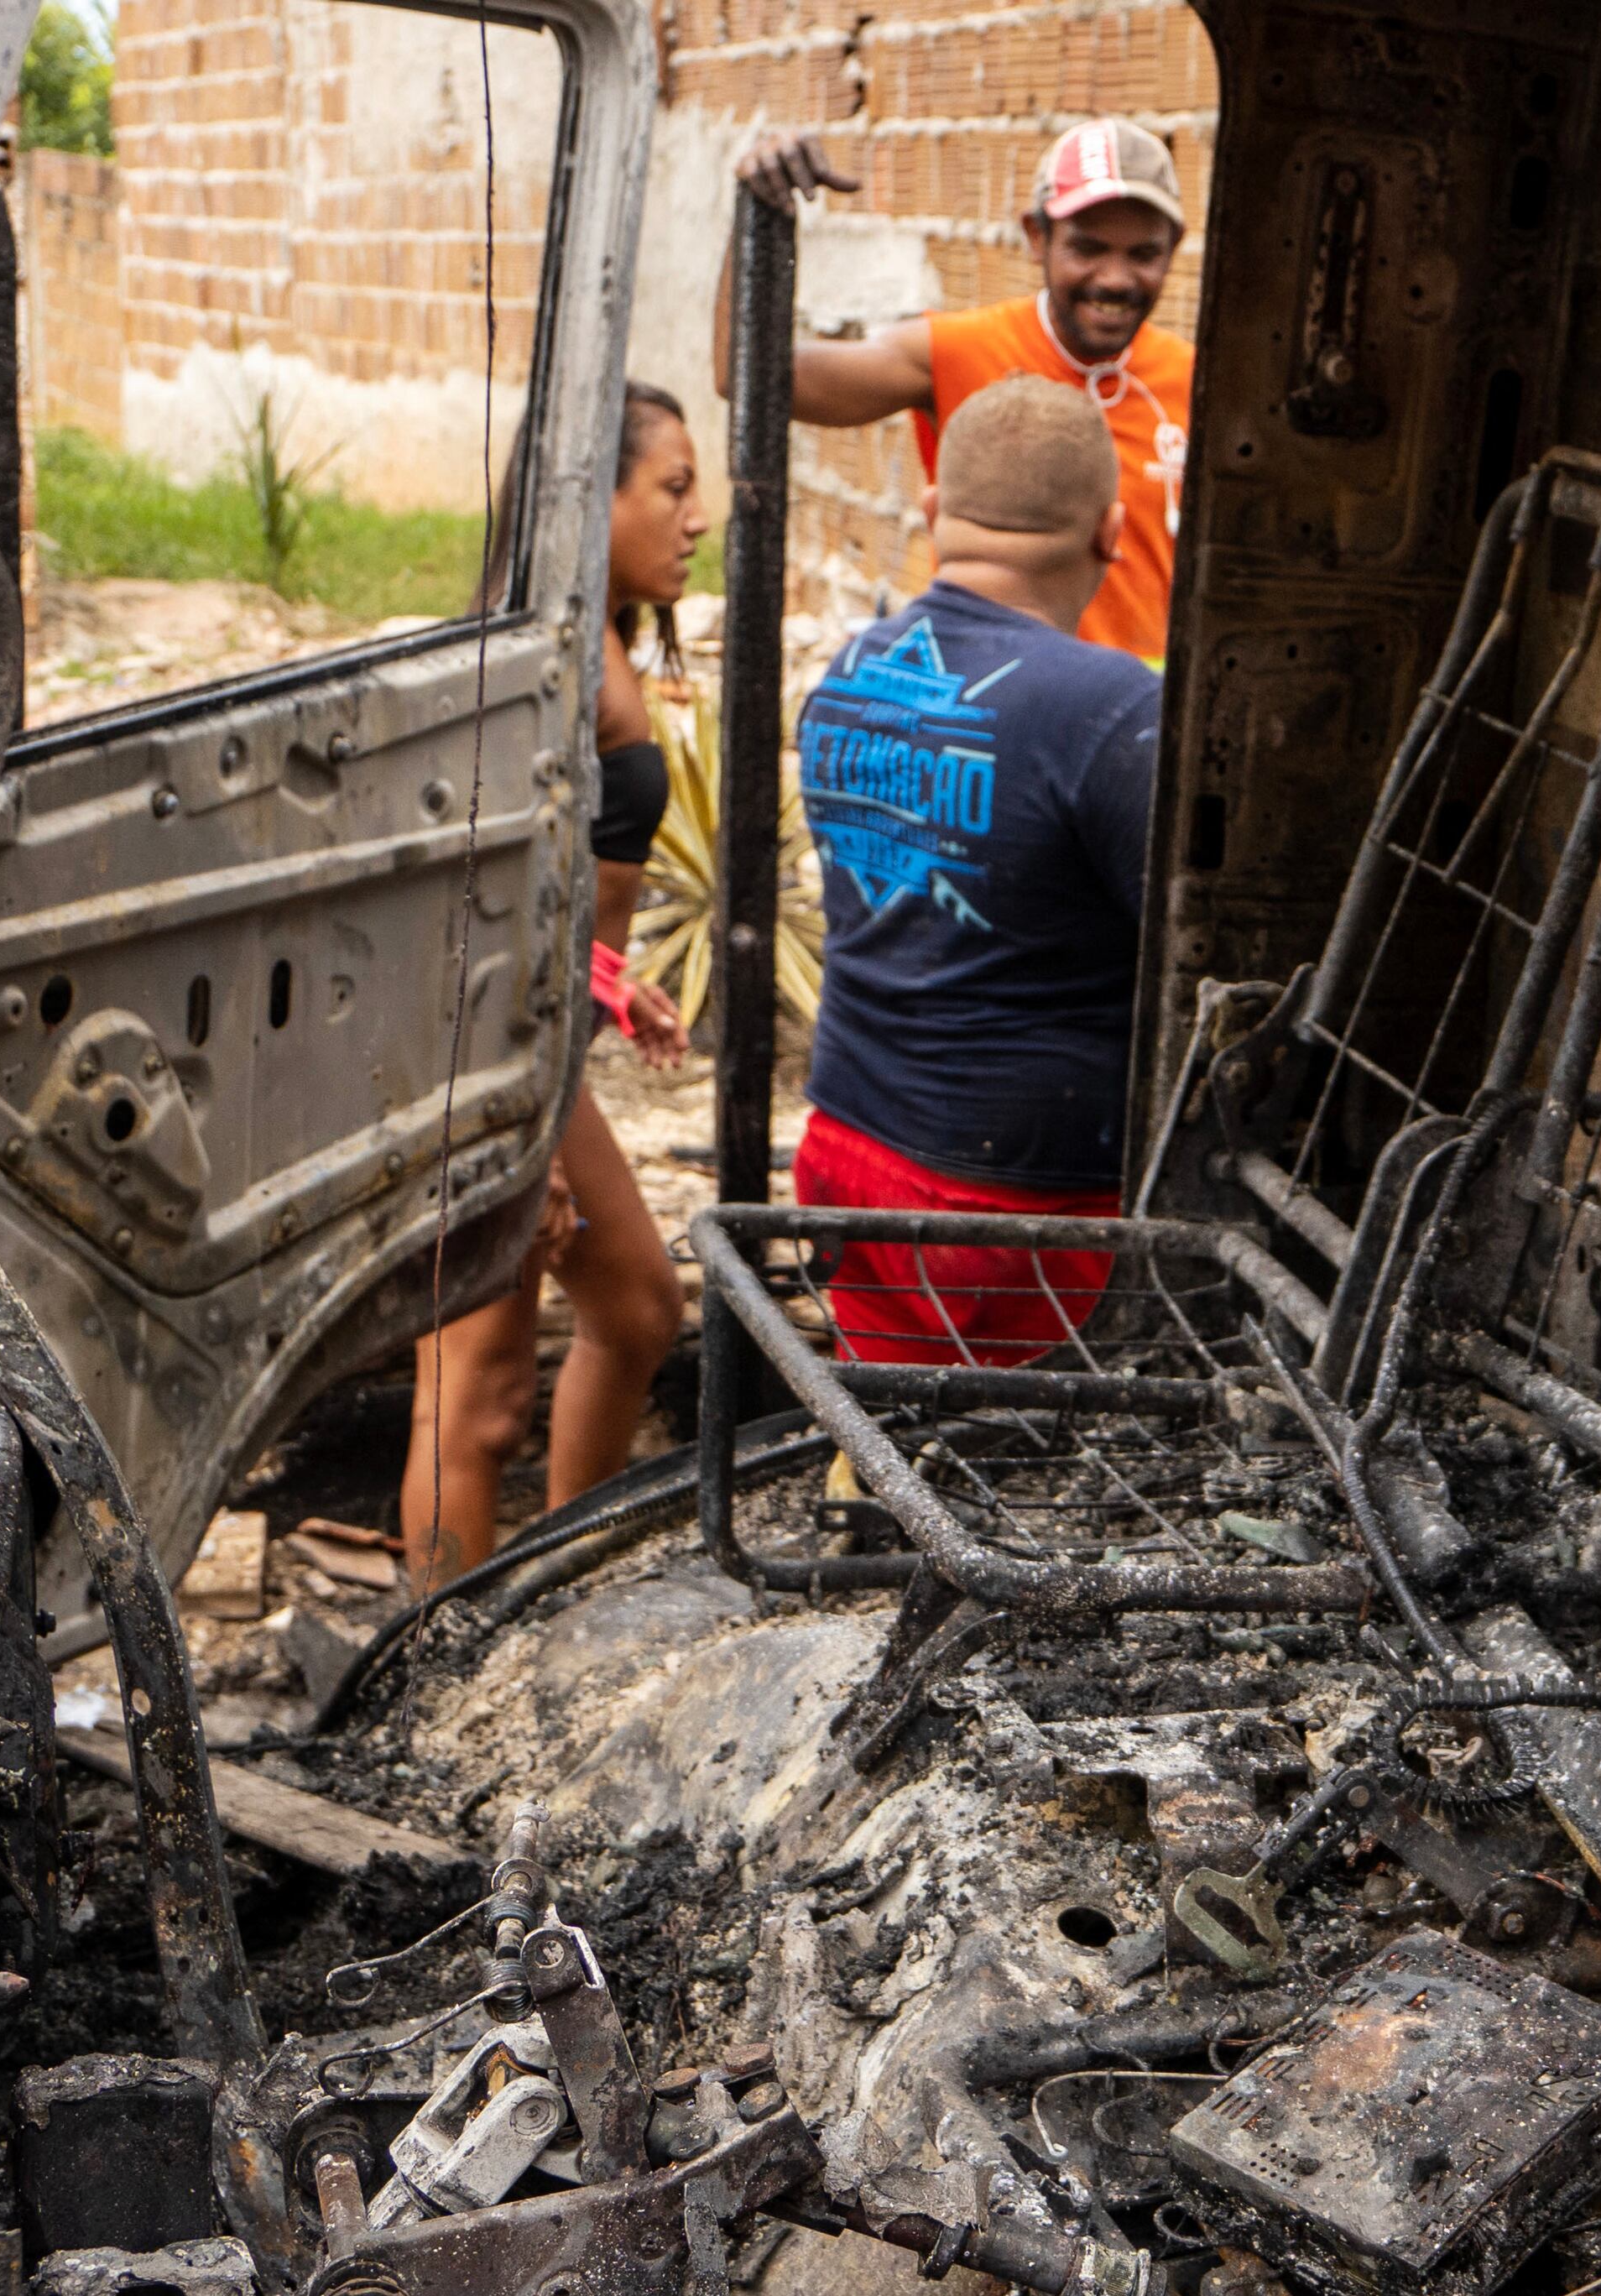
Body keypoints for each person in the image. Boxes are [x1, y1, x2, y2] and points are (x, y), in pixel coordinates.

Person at [788, 374, 1160, 1369]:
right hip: (1018, 1213)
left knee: (893, 1444)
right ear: (1113, 532)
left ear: (932, 514)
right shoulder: (1113, 710)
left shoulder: (847, 675)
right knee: (1023, 1492)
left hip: (847, 1152)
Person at [400, 386, 699, 1586]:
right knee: (472, 1393)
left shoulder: (597, 638)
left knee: (633, 1309)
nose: (696, 519)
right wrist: (530, 1141)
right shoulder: (544, 662)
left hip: (544, 1037)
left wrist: (608, 977)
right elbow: (462, 907)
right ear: (594, 497)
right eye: (673, 489)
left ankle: (566, 1581)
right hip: (490, 1050)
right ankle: (432, 1645)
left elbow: (552, 881)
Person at [722, 116, 1192, 665]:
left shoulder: (1195, 381)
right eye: (1088, 248)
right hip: (991, 703)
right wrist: (754, 214)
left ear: (1172, 250)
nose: (1115, 278)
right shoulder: (957, 351)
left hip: (1136, 716)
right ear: (1037, 237)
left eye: (1143, 255)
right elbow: (746, 379)